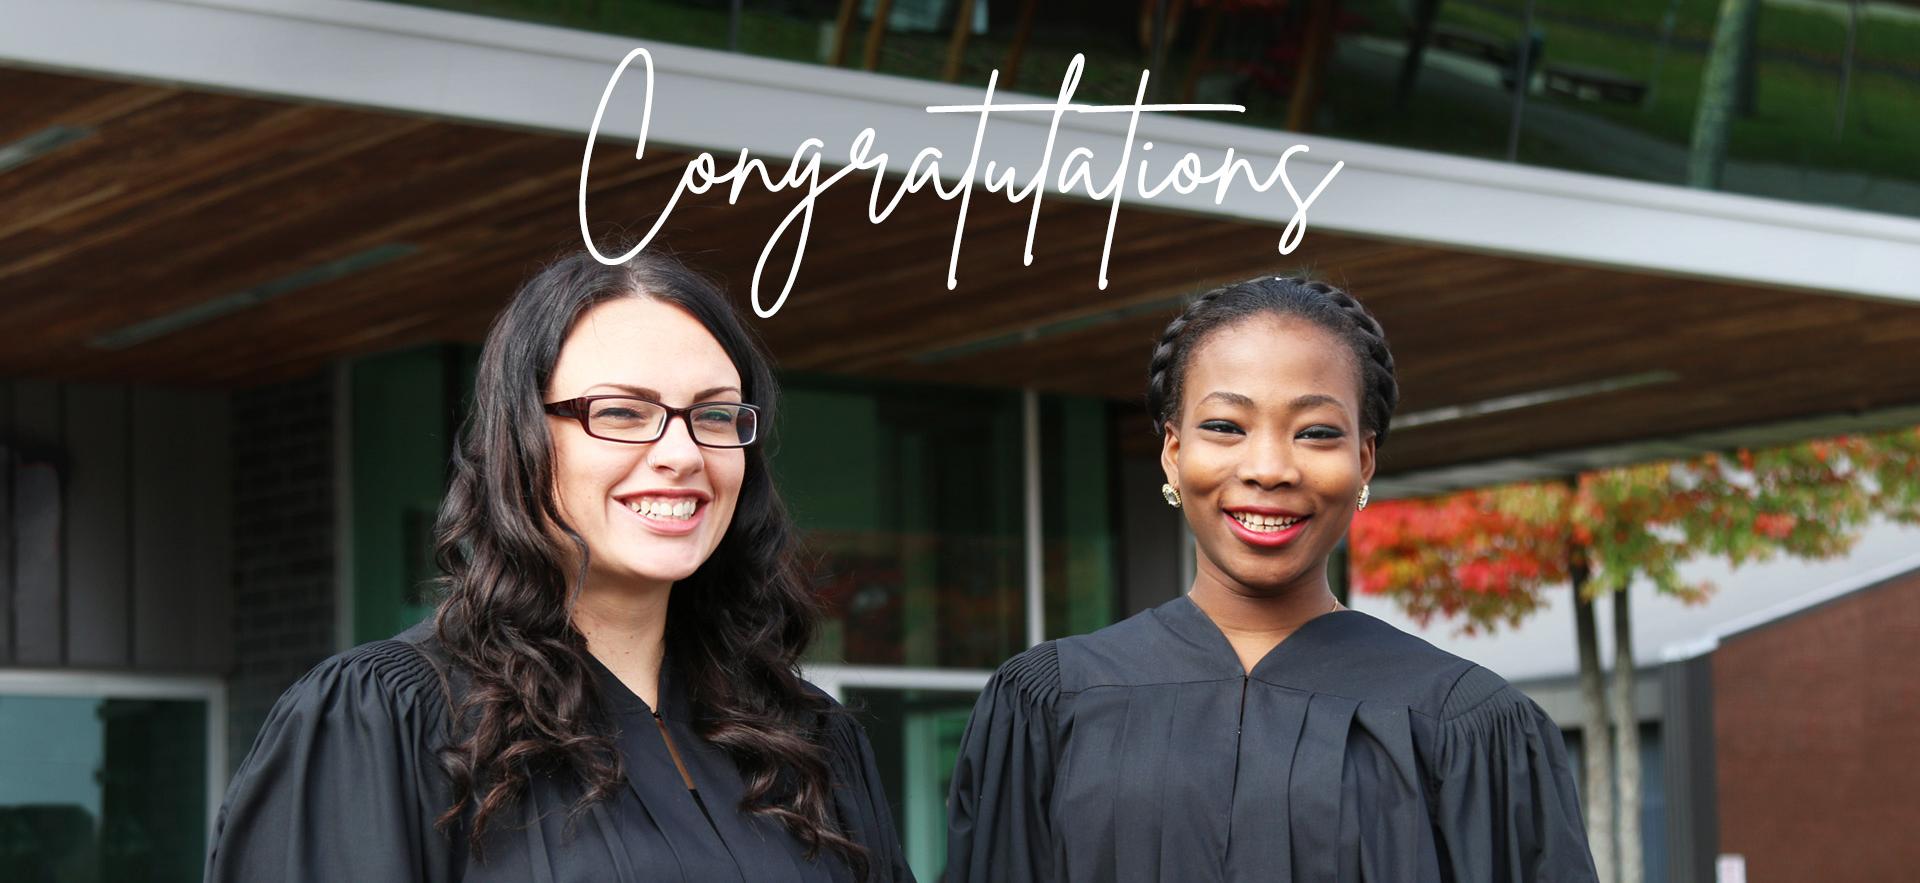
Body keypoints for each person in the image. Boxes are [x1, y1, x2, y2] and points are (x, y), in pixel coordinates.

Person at [207, 249, 913, 882]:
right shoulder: (387, 721)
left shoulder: (810, 741)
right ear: (521, 441)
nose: (683, 453)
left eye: (717, 415)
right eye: (622, 412)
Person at [945, 276, 1598, 883]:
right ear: (1173, 452)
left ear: (1364, 459)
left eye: (1315, 432)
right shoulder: (1046, 705)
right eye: (1225, 426)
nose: (1269, 468)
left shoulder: (1470, 726)